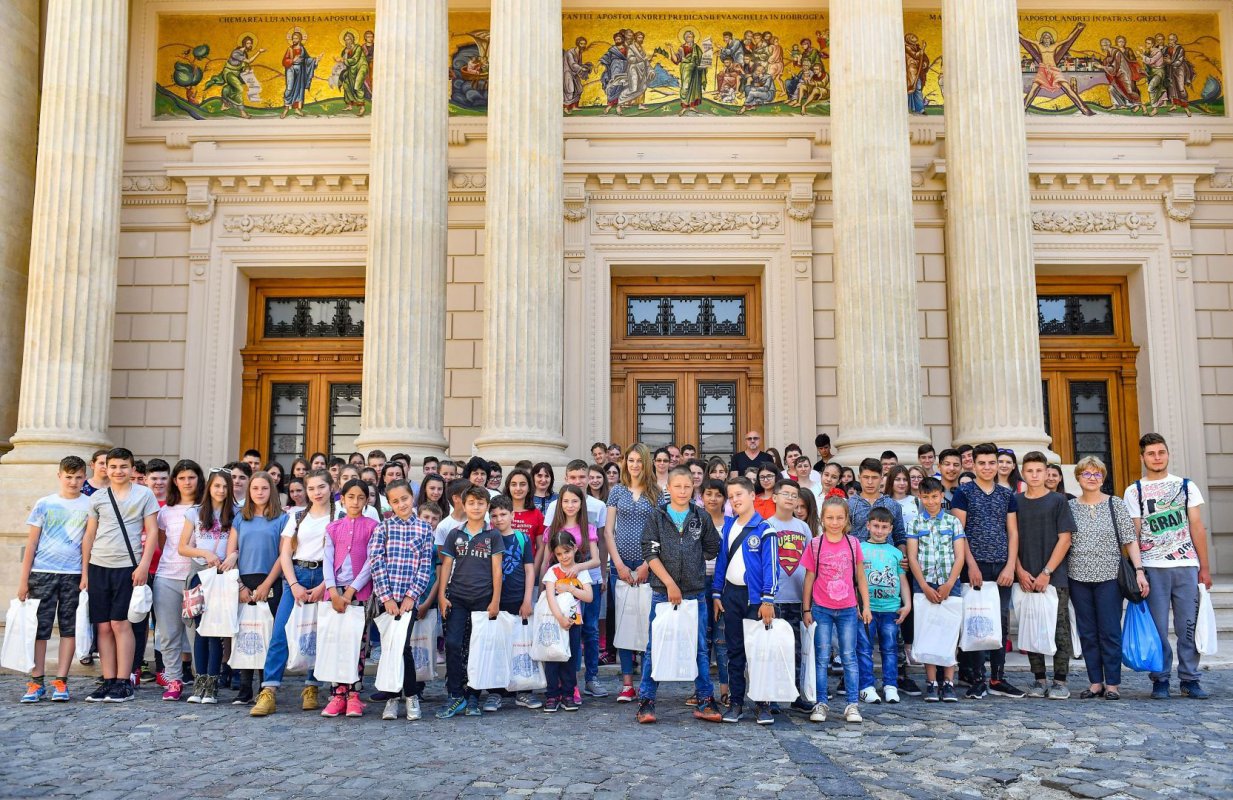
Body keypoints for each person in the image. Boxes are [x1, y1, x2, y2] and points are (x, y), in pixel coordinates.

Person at [1124, 433, 1213, 700]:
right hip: (1153, 567)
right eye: (1151, 454)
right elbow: (1134, 534)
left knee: (1188, 626)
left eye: (1161, 452)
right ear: (1143, 457)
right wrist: (1138, 570)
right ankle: (1160, 679)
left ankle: (1189, 679)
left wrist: (1204, 567)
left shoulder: (1186, 486)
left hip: (1186, 565)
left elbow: (1197, 527)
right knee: (1158, 629)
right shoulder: (1134, 490)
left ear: (1167, 454)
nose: (1157, 457)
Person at [636, 466, 723, 724]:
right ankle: (646, 701)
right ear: (669, 488)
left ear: (693, 488)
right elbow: (650, 554)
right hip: (663, 594)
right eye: (678, 487)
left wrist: (691, 563)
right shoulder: (657, 517)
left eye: (687, 487)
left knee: (698, 648)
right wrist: (670, 583)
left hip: (695, 594)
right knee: (655, 647)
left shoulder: (701, 517)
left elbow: (712, 548)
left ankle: (705, 699)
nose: (683, 491)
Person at [251, 470, 334, 717]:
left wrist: (325, 586)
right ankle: (269, 690)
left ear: (331, 487)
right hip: (296, 575)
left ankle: (311, 686)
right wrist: (294, 583)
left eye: (321, 487)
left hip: (324, 577)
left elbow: (339, 554)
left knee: (315, 633)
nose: (316, 493)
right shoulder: (297, 515)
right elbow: (285, 553)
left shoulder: (339, 514)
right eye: (311, 488)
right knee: (280, 632)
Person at [81, 448, 160, 703]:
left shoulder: (144, 494)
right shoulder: (97, 497)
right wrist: (85, 572)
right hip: (98, 566)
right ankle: (108, 679)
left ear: (131, 468)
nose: (118, 471)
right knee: (102, 626)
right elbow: (89, 535)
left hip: (129, 567)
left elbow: (152, 533)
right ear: (105, 468)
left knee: (121, 624)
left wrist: (143, 566)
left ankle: (124, 681)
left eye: (123, 466)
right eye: (113, 466)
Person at [1068, 457, 1148, 702]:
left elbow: (1129, 540)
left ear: (1103, 477)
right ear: (1078, 478)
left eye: (1097, 474)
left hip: (1110, 577)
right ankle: (1095, 682)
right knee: (1088, 631)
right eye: (1087, 474)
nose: (1092, 478)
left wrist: (1139, 570)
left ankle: (1112, 683)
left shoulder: (1116, 504)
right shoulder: (1070, 507)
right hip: (1077, 576)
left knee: (1110, 630)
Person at [17, 456, 90, 703]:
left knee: (69, 628)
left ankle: (61, 680)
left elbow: (87, 545)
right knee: (40, 629)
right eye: (69, 476)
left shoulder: (89, 505)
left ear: (85, 478)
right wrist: (23, 580)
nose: (73, 481)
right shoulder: (45, 503)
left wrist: (85, 575)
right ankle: (36, 681)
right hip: (42, 572)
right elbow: (32, 543)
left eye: (78, 477)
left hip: (73, 575)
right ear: (59, 476)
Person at [950, 443, 1020, 700]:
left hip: (1001, 565)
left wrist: (1011, 565)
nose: (988, 468)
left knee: (1000, 621)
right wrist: (971, 565)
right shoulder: (964, 493)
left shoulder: (1006, 495)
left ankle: (998, 677)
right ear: (974, 464)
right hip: (974, 567)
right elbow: (960, 531)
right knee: (976, 620)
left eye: (992, 463)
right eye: (982, 463)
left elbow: (1012, 532)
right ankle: (976, 678)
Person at [712, 476, 778, 725]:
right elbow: (722, 561)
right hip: (732, 596)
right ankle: (737, 702)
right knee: (735, 650)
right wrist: (717, 593)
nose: (735, 499)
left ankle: (763, 704)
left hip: (756, 599)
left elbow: (772, 566)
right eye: (731, 496)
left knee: (760, 651)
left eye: (739, 494)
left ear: (752, 495)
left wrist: (768, 599)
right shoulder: (729, 527)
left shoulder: (765, 529)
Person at [367, 480, 435, 721]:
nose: (401, 504)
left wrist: (411, 596)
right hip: (387, 601)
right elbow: (376, 562)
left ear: (412, 498)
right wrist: (387, 598)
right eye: (395, 501)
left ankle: (411, 696)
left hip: (409, 601)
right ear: (390, 503)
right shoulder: (383, 528)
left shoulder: (424, 529)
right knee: (389, 647)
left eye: (404, 499)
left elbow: (425, 566)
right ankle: (393, 697)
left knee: (403, 647)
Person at [436, 486, 503, 719]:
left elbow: (497, 570)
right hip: (457, 598)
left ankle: (474, 695)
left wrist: (495, 600)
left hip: (483, 599)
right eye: (471, 502)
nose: (476, 507)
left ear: (487, 507)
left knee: (477, 649)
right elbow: (446, 566)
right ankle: (456, 695)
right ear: (463, 505)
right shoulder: (455, 534)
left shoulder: (493, 535)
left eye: (481, 503)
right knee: (453, 644)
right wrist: (442, 596)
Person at [802, 496, 870, 724]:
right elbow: (809, 578)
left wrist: (865, 605)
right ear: (822, 519)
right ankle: (821, 702)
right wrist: (806, 609)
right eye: (830, 517)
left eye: (839, 517)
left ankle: (852, 704)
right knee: (821, 657)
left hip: (848, 608)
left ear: (846, 519)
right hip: (821, 608)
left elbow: (860, 576)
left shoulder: (853, 544)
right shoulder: (815, 544)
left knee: (849, 656)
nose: (834, 522)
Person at [1014, 451, 1075, 699]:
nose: (1035, 475)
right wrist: (1019, 570)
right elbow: (1011, 538)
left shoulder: (1058, 501)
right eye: (1030, 471)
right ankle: (1038, 680)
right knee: (1031, 628)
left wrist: (1047, 571)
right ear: (1023, 473)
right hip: (1025, 576)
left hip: (1054, 576)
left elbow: (1065, 538)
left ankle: (1060, 681)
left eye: (1039, 471)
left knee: (1059, 630)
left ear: (1047, 473)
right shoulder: (1015, 501)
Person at [317, 480, 378, 719]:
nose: (355, 502)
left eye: (360, 497)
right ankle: (338, 694)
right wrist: (333, 591)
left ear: (366, 500)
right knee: (335, 642)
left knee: (357, 644)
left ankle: (354, 694)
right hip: (334, 593)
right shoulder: (333, 528)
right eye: (350, 496)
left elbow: (370, 563)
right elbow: (327, 559)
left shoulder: (373, 527)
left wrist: (351, 591)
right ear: (342, 498)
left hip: (359, 593)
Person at [537, 484, 603, 701]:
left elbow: (596, 560)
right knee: (556, 631)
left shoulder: (588, 528)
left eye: (574, 501)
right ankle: (554, 685)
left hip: (579, 585)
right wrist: (542, 586)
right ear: (560, 504)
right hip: (555, 585)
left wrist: (578, 568)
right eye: (566, 501)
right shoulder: (553, 529)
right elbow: (547, 560)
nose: (570, 505)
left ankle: (572, 683)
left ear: (581, 503)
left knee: (576, 634)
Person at [604, 443, 659, 701]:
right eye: (631, 460)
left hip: (649, 566)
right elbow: (608, 531)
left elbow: (661, 533)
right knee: (624, 624)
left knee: (647, 625)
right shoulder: (616, 492)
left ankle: (647, 682)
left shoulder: (657, 493)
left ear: (646, 463)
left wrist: (648, 564)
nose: (634, 465)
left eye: (639, 460)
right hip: (621, 566)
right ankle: (627, 684)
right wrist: (618, 564)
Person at [227, 470, 287, 705]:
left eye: (264, 488)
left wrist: (267, 584)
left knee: (267, 634)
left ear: (271, 490)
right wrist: (240, 585)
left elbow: (283, 555)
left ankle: (266, 686)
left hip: (269, 580)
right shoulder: (241, 517)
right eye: (255, 488)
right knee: (244, 634)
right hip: (244, 579)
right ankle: (244, 689)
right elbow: (231, 553)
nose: (260, 492)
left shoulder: (282, 518)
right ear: (249, 492)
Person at [179, 469, 238, 705]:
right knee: (199, 631)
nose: (221, 491)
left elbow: (239, 545)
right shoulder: (194, 513)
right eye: (216, 486)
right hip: (199, 575)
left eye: (225, 487)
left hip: (222, 577)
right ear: (209, 487)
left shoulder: (237, 514)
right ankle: (199, 681)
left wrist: (233, 556)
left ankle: (212, 683)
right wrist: (204, 552)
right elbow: (183, 547)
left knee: (215, 632)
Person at [905, 477, 966, 703]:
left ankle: (948, 682)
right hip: (925, 584)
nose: (931, 501)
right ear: (920, 497)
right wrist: (922, 585)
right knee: (928, 631)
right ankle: (931, 682)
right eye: (926, 497)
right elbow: (912, 556)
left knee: (949, 630)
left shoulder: (953, 523)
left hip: (951, 583)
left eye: (935, 497)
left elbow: (959, 556)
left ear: (942, 496)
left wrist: (950, 583)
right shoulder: (915, 524)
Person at [151, 459, 205, 701]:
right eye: (182, 478)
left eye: (191, 477)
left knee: (196, 633)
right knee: (168, 633)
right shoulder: (165, 511)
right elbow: (163, 544)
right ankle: (174, 679)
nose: (186, 482)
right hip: (167, 577)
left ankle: (201, 678)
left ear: (199, 479)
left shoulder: (205, 508)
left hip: (196, 578)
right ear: (175, 481)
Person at [763, 479, 813, 714]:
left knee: (795, 648)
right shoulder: (766, 525)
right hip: (774, 598)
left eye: (795, 495)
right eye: (786, 494)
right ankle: (772, 695)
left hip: (797, 596)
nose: (791, 498)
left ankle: (793, 692)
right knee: (773, 648)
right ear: (774, 497)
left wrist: (808, 601)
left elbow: (810, 565)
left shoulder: (803, 528)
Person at [482, 495, 537, 712]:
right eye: (494, 515)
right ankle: (496, 691)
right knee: (496, 646)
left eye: (503, 514)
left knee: (520, 645)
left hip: (517, 599)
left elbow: (529, 569)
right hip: (495, 601)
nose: (499, 519)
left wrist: (527, 599)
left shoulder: (522, 538)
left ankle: (522, 690)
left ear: (513, 515)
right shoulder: (487, 538)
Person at [856, 507, 910, 705]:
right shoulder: (860, 549)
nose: (879, 530)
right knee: (864, 648)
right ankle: (866, 686)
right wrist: (857, 604)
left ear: (890, 529)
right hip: (867, 608)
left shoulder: (895, 553)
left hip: (890, 608)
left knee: (890, 648)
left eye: (884, 527)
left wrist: (908, 604)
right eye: (876, 526)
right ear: (868, 525)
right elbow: (855, 579)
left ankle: (890, 685)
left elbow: (902, 580)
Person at [541, 531, 594, 712]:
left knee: (570, 659)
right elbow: (550, 597)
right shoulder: (552, 572)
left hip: (574, 622)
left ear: (575, 548)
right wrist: (560, 618)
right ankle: (552, 694)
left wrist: (570, 588)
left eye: (567, 552)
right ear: (554, 555)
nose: (564, 557)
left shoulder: (581, 571)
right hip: (555, 622)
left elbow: (588, 596)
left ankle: (568, 694)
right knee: (553, 658)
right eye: (559, 554)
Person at [700, 479, 730, 706]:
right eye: (708, 494)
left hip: (724, 586)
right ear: (701, 497)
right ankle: (702, 690)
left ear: (724, 498)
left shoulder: (731, 524)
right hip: (699, 582)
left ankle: (725, 689)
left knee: (722, 639)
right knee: (702, 638)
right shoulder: (695, 521)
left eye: (717, 494)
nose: (712, 498)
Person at [849, 458, 906, 545]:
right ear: (859, 478)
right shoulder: (849, 505)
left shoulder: (893, 505)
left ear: (881, 478)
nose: (870, 482)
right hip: (858, 556)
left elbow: (899, 536)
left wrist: (902, 554)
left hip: (887, 557)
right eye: (866, 477)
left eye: (874, 477)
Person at [885, 465, 920, 532]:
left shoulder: (917, 501)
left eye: (905, 479)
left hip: (915, 541)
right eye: (897, 479)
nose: (902, 483)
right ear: (891, 481)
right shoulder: (884, 502)